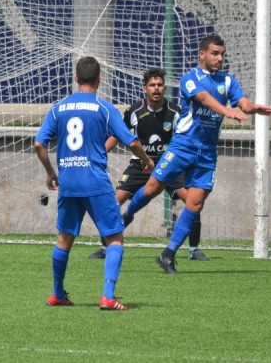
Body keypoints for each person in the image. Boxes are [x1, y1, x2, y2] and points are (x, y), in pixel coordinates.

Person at [123, 35, 271, 274]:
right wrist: (227, 111)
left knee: (195, 204)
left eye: (222, 54)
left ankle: (168, 254)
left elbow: (243, 103)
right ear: (202, 54)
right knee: (152, 188)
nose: (220, 58)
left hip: (206, 152)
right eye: (215, 53)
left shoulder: (228, 80)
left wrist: (253, 108)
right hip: (182, 146)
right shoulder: (190, 78)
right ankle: (128, 215)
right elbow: (203, 99)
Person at [35, 56, 154, 311]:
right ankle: (108, 297)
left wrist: (50, 172)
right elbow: (131, 142)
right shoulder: (103, 108)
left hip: (68, 182)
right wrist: (146, 160)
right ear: (100, 79)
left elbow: (38, 144)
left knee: (64, 240)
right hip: (96, 182)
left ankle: (57, 294)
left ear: (76, 78)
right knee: (114, 238)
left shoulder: (59, 108)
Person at [88, 68, 208, 261]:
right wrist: (98, 154)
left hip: (170, 165)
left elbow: (187, 138)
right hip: (141, 165)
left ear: (165, 87)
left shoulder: (176, 112)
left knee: (193, 201)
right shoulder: (134, 111)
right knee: (114, 201)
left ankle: (193, 249)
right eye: (152, 85)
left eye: (160, 85)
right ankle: (106, 247)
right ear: (145, 88)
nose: (156, 89)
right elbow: (117, 135)